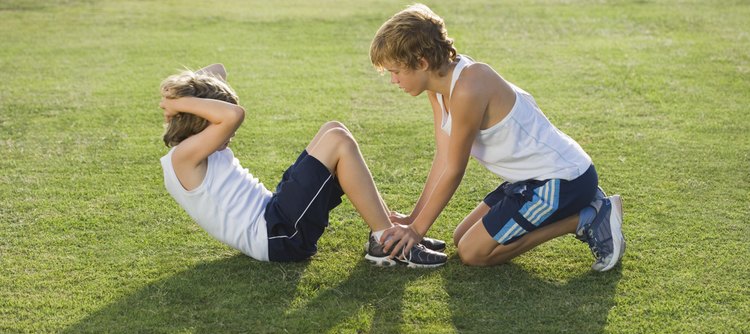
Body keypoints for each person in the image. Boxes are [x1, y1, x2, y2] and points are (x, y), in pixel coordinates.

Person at [369, 4, 625, 271]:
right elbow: (443, 158)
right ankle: (585, 211)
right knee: (461, 237)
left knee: (473, 253)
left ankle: (587, 217)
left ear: (422, 63)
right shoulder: (437, 88)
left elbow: (455, 169)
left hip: (563, 179)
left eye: (395, 71)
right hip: (528, 181)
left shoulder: (468, 87)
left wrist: (417, 231)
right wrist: (413, 219)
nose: (393, 81)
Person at [158, 64, 447, 267]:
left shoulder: (196, 146)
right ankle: (388, 244)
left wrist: (179, 96)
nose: (230, 136)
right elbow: (234, 115)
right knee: (337, 141)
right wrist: (180, 102)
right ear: (198, 119)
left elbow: (217, 70)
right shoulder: (184, 156)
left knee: (334, 130)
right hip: (276, 236)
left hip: (275, 216)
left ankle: (389, 234)